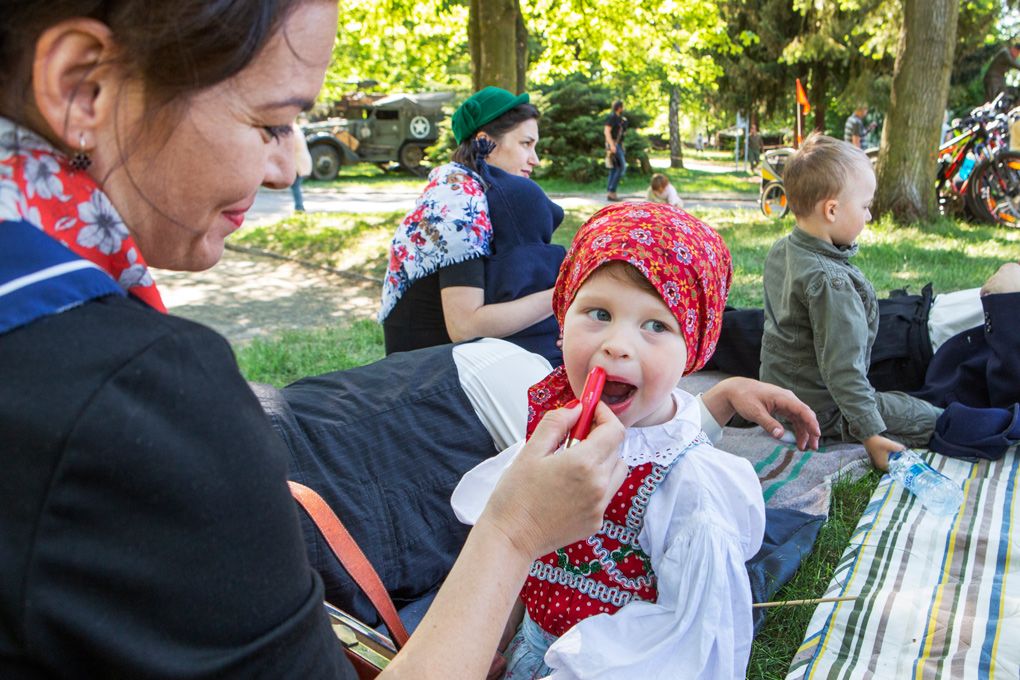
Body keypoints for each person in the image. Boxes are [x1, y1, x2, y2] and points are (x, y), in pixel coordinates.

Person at [0, 2, 822, 677]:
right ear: (84, 87)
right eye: (270, 122)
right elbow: (468, 335)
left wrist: (690, 414)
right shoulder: (135, 399)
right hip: (447, 386)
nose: (292, 168)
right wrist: (510, 535)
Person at [453, 203, 764, 678]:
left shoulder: (690, 488)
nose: (618, 344)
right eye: (599, 313)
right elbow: (516, 548)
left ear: (694, 349)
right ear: (562, 321)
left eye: (656, 325)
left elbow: (692, 640)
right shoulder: (553, 432)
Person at [760, 134, 943, 471]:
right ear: (831, 209)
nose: (869, 216)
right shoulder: (831, 282)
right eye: (865, 206)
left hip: (781, 402)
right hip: (820, 414)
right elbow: (843, 371)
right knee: (928, 416)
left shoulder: (782, 249)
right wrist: (871, 433)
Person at [379, 86, 566, 364]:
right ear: (484, 142)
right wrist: (562, 295)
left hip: (450, 360)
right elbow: (465, 327)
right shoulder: (458, 204)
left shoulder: (471, 190)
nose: (534, 160)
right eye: (526, 144)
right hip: (423, 372)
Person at [604, 100, 627, 201]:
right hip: (614, 145)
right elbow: (607, 131)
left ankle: (611, 192)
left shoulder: (620, 119)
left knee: (615, 168)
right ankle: (611, 191)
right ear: (619, 107)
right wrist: (611, 145)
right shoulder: (612, 117)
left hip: (618, 145)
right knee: (621, 167)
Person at [291, 119, 312, 212]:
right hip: (301, 162)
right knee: (295, 185)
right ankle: (299, 206)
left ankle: (299, 207)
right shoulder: (296, 129)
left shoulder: (293, 131)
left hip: (298, 164)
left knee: (295, 185)